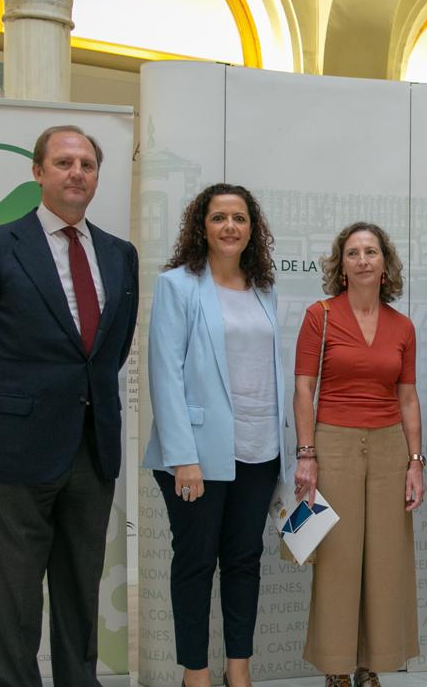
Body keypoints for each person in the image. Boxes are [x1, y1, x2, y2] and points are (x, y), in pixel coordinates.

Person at [0, 124, 139, 686]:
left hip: (91, 447)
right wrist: (7, 409)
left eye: (88, 165)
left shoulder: (120, 256)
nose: (77, 173)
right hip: (16, 450)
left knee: (81, 589)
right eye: (64, 162)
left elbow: (109, 352)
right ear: (38, 172)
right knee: (13, 596)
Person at [143, 183, 286, 687]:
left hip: (260, 450)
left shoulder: (265, 288)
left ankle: (238, 670)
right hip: (197, 455)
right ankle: (196, 674)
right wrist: (183, 457)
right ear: (201, 225)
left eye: (240, 218)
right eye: (220, 217)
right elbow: (165, 374)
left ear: (253, 228)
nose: (230, 227)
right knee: (196, 563)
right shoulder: (177, 286)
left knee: (245, 561)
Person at [293, 222, 424, 687]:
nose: (363, 259)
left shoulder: (402, 326)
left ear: (385, 264)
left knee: (385, 560)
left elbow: (408, 398)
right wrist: (306, 454)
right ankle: (336, 667)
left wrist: (415, 463)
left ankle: (372, 663)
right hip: (334, 445)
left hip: (390, 448)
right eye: (353, 253)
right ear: (341, 265)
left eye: (371, 252)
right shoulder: (320, 315)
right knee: (338, 560)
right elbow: (304, 388)